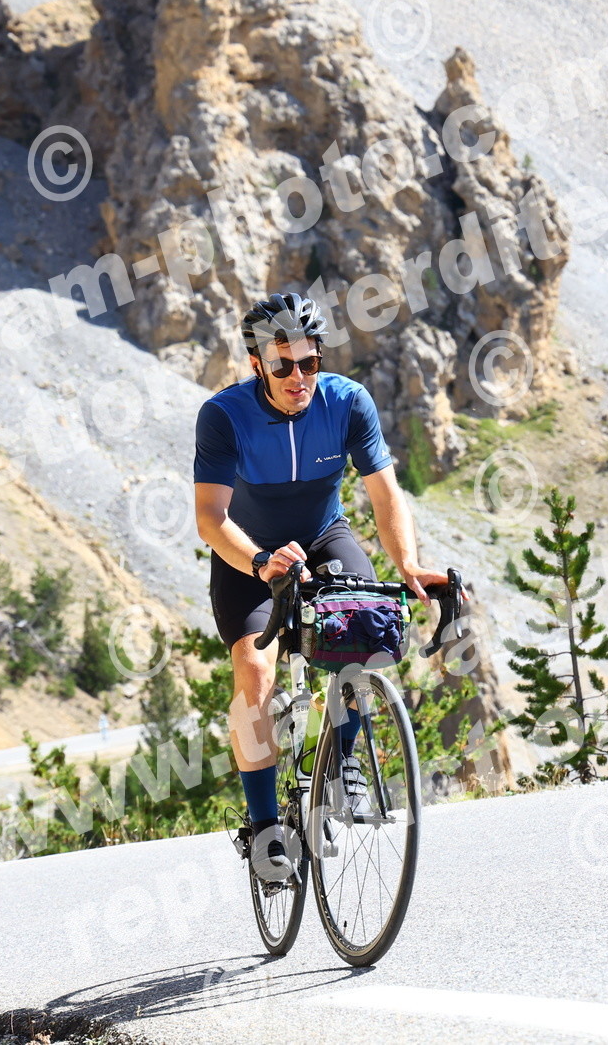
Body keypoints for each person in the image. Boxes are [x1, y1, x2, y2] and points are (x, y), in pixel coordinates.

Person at [192, 292, 449, 871]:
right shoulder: (224, 415)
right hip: (250, 554)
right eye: (282, 365)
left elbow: (385, 494)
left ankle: (339, 761)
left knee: (365, 633)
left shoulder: (347, 403)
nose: (297, 377)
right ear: (257, 364)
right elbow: (211, 519)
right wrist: (261, 562)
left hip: (322, 534)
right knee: (255, 671)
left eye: (308, 362)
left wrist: (408, 565)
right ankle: (265, 830)